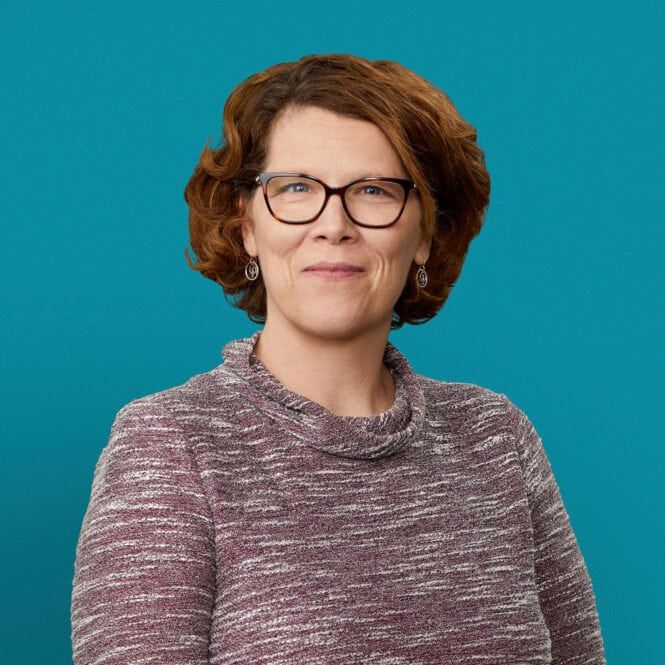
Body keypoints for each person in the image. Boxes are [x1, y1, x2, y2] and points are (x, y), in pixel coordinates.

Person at [70, 53, 607, 664]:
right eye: (296, 188)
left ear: (426, 232)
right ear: (247, 225)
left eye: (373, 191)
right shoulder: (170, 445)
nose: (334, 224)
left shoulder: (497, 437)